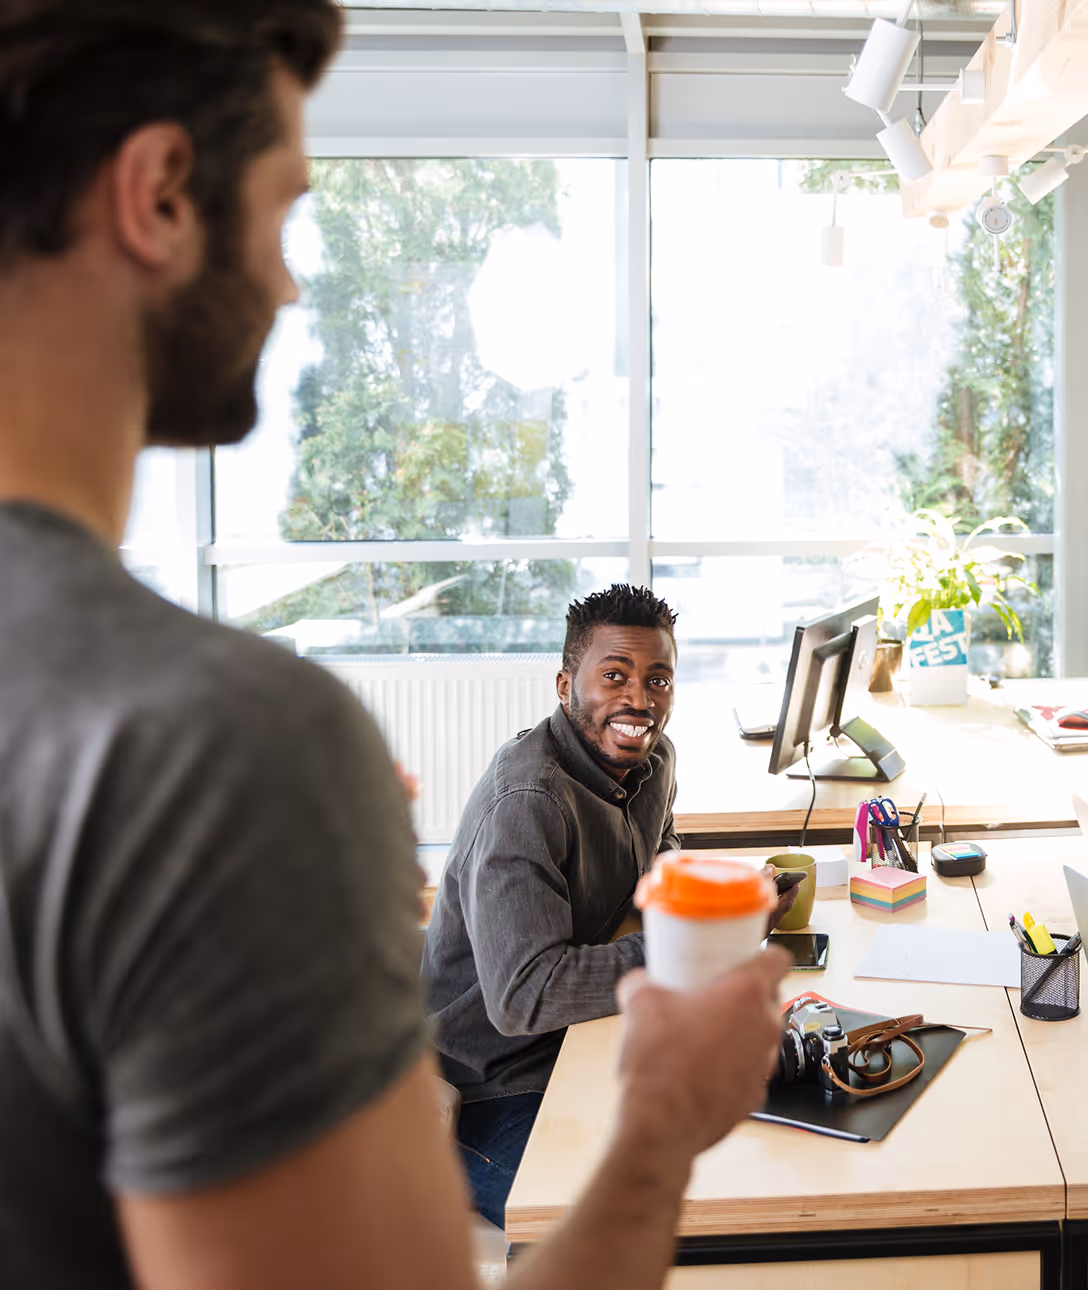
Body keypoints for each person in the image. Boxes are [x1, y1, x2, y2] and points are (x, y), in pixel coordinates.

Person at [0, 4, 787, 1287]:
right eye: (281, 208)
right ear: (155, 196)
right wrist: (662, 1124)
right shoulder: (222, 740)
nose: (291, 278)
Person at [422, 583, 799, 1226]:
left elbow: (661, 851)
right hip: (490, 1086)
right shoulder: (527, 802)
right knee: (622, 1223)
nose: (639, 700)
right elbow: (525, 998)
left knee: (756, 1139)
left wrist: (721, 898)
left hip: (588, 1039)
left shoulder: (653, 761)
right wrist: (704, 943)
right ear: (566, 685)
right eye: (615, 676)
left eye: (658, 680)